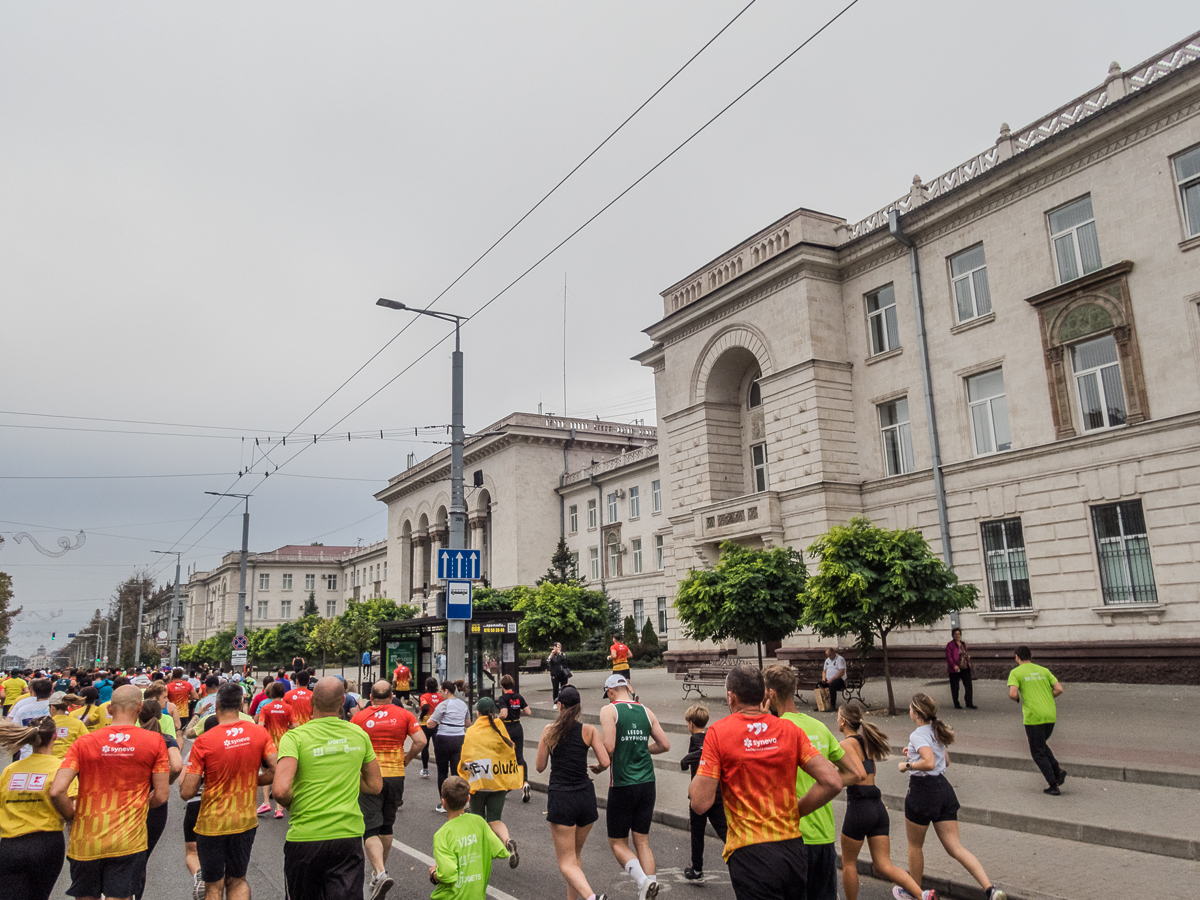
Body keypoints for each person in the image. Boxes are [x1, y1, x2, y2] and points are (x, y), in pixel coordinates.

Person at [691, 666, 842, 900]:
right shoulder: (789, 729)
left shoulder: (719, 733)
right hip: (792, 848)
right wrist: (795, 812)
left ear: (731, 697)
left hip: (750, 852)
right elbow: (832, 781)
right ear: (764, 695)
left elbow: (700, 803)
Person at [50, 684, 171, 900]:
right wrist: (140, 805)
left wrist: (70, 815)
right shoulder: (154, 741)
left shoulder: (84, 742)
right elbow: (161, 795)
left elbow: (57, 790)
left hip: (86, 840)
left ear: (109, 709)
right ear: (139, 708)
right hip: (128, 839)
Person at [273, 676, 382, 900]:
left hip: (305, 838)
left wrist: (298, 802)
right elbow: (375, 785)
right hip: (347, 836)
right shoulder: (359, 734)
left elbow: (281, 791)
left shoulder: (294, 738)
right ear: (342, 701)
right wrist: (346, 776)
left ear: (312, 701)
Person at [763, 665, 865, 900]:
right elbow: (857, 773)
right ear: (795, 689)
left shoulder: (775, 730)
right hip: (824, 834)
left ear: (770, 694)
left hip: (792, 834)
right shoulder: (818, 726)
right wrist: (826, 784)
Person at [900, 693, 1006, 900]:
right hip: (944, 790)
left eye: (911, 708)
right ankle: (990, 889)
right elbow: (944, 761)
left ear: (918, 713)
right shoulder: (936, 730)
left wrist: (907, 765)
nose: (909, 711)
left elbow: (929, 763)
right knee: (956, 847)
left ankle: (915, 894)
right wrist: (913, 754)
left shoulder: (917, 734)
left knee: (915, 846)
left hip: (922, 791)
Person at [181, 683, 278, 900]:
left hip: (211, 824)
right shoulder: (259, 733)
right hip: (244, 821)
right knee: (238, 880)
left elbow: (187, 792)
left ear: (216, 706)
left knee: (213, 885)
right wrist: (256, 780)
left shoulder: (204, 741)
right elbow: (277, 767)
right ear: (242, 704)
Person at [835, 703, 932, 900]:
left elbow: (854, 776)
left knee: (849, 863)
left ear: (843, 721)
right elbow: (870, 772)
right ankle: (922, 896)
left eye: (838, 716)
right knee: (883, 865)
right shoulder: (867, 742)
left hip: (859, 807)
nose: (836, 719)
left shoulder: (844, 745)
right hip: (878, 808)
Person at [351, 680, 427, 900]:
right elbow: (420, 741)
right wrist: (406, 758)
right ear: (392, 694)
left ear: (370, 698)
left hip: (369, 776)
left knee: (369, 828)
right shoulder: (404, 714)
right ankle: (379, 871)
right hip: (395, 775)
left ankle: (380, 872)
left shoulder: (360, 717)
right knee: (386, 824)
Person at [535, 684, 610, 900]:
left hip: (562, 798)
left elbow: (540, 766)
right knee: (575, 856)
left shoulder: (549, 731)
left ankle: (591, 897)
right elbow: (605, 760)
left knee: (566, 862)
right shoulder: (589, 730)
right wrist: (599, 767)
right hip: (585, 796)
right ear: (578, 707)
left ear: (560, 705)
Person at [599, 673, 670, 900]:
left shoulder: (609, 711)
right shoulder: (646, 711)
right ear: (627, 689)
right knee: (642, 841)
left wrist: (600, 762)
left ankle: (643, 882)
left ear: (610, 692)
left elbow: (608, 747)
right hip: (647, 783)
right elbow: (665, 745)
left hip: (622, 784)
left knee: (618, 842)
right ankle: (649, 889)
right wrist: (642, 748)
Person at [0, 715, 66, 900]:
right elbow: (69, 803)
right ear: (55, 736)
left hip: (11, 845)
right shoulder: (61, 768)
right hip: (47, 843)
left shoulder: (10, 770)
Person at [458, 697, 522, 865]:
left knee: (478, 818)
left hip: (479, 783)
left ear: (477, 712)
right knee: (495, 819)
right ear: (493, 712)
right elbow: (508, 755)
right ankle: (507, 840)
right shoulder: (500, 728)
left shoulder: (472, 731)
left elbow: (466, 757)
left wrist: (464, 778)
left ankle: (481, 853)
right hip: (498, 782)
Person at [428, 775, 511, 900]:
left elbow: (448, 874)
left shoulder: (442, 834)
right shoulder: (479, 822)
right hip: (477, 895)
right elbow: (499, 851)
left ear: (443, 802)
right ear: (468, 798)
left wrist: (434, 873)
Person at [1006, 646, 1066, 795]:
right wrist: (1046, 698)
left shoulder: (1016, 672)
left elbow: (1013, 694)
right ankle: (1057, 770)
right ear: (1030, 657)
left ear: (1017, 657)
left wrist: (1019, 699)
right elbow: (1059, 689)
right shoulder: (1043, 670)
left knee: (1037, 752)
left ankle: (1054, 783)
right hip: (1050, 714)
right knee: (1041, 744)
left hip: (1034, 717)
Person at [679, 704, 726, 883]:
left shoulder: (697, 739)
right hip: (717, 791)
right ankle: (741, 859)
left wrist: (685, 761)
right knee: (724, 830)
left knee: (697, 832)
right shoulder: (710, 736)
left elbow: (701, 753)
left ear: (690, 724)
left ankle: (697, 869)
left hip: (701, 793)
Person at [428, 680, 470, 809]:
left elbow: (430, 724)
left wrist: (440, 721)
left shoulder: (443, 705)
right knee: (458, 772)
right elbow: (467, 723)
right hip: (459, 739)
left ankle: (444, 803)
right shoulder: (463, 705)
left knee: (442, 772)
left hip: (444, 739)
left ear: (446, 691)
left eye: (441, 691)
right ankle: (460, 803)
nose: (440, 694)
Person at [497, 674, 532, 802]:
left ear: (502, 686)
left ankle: (506, 786)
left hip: (507, 729)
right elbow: (528, 712)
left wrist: (498, 718)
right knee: (519, 757)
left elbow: (504, 714)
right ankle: (525, 783)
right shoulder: (518, 697)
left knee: (504, 757)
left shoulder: (502, 698)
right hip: (518, 727)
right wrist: (517, 712)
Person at [7, 677, 53, 759]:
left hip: (26, 755)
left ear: (33, 692)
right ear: (51, 691)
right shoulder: (54, 709)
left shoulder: (23, 709)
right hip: (50, 754)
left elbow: (13, 727)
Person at [49, 692, 89, 759]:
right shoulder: (77, 723)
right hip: (69, 762)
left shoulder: (46, 723)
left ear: (52, 707)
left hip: (49, 763)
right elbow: (87, 743)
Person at [418, 677, 442, 779]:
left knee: (425, 746)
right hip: (437, 723)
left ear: (426, 686)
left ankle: (425, 770)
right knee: (438, 747)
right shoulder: (440, 697)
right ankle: (441, 768)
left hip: (426, 724)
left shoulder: (424, 697)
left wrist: (421, 716)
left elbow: (425, 707)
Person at [945, 629, 975, 710]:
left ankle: (969, 703)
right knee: (955, 687)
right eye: (955, 634)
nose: (957, 635)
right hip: (955, 669)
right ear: (952, 635)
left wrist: (967, 656)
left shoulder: (963, 644)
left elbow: (964, 653)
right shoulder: (950, 645)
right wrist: (954, 665)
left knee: (968, 686)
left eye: (958, 634)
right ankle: (956, 703)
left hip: (965, 667)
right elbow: (949, 657)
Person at [816, 648, 846, 712]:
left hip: (839, 680)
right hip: (828, 679)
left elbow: (841, 672)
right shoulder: (827, 660)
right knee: (819, 685)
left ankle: (832, 705)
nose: (829, 657)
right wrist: (824, 678)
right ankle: (821, 704)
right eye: (828, 655)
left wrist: (831, 680)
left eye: (830, 655)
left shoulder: (840, 659)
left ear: (834, 653)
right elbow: (824, 671)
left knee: (832, 685)